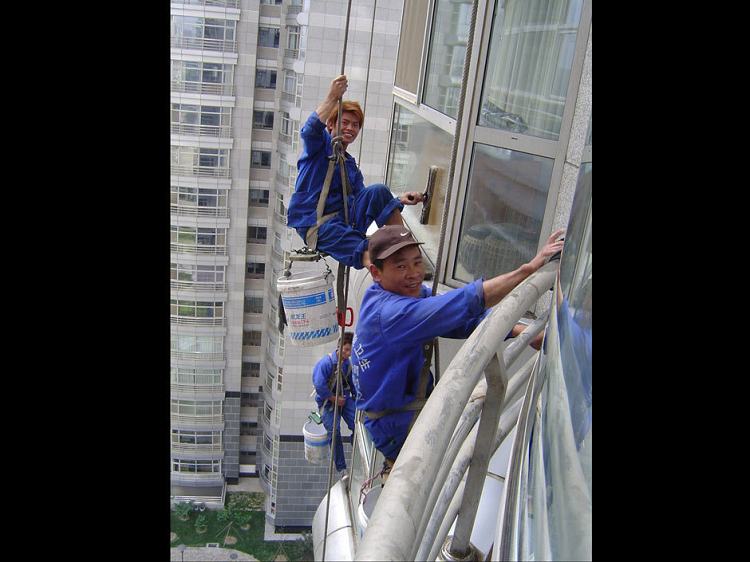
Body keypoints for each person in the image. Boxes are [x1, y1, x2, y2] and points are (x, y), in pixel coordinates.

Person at [350, 225, 565, 477]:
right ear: (376, 272)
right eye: (400, 266)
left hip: (397, 414)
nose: (413, 274)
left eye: (417, 263)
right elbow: (466, 302)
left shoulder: (390, 294)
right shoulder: (390, 314)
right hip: (396, 428)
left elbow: (461, 319)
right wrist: (529, 269)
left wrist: (521, 332)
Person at [286, 74, 424, 269]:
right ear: (331, 125)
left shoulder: (349, 165)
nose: (351, 128)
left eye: (355, 125)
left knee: (379, 191)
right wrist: (332, 97)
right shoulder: (320, 147)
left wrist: (399, 199)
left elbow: (364, 200)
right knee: (366, 250)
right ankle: (395, 281)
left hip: (344, 220)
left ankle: (406, 250)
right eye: (345, 122)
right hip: (317, 224)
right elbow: (309, 131)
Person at [312, 332, 357, 476]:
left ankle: (356, 441)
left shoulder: (347, 365)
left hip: (344, 398)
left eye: (350, 350)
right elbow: (319, 385)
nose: (348, 354)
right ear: (339, 347)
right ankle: (341, 467)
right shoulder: (326, 364)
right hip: (328, 402)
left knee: (358, 422)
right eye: (346, 350)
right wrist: (334, 399)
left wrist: (357, 398)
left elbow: (351, 382)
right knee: (334, 431)